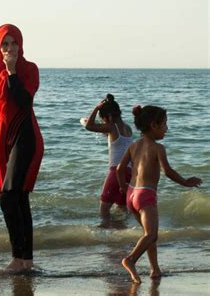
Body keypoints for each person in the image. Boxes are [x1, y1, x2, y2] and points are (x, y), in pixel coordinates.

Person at [0, 24, 44, 272]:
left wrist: (12, 71)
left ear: (21, 44)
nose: (10, 48)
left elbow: (24, 103)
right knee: (18, 199)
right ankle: (25, 261)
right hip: (7, 141)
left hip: (27, 139)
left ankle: (17, 260)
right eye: (5, 44)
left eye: (14, 43)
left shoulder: (28, 70)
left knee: (8, 198)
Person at [117, 105, 202, 283]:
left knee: (147, 235)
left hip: (131, 194)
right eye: (164, 124)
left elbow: (119, 169)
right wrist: (186, 182)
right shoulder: (158, 148)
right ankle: (130, 260)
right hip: (145, 195)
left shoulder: (133, 145)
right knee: (152, 235)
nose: (166, 128)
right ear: (154, 125)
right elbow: (168, 171)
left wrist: (123, 187)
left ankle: (155, 269)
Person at [80, 94, 133, 226]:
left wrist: (96, 108)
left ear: (108, 117)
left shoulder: (111, 128)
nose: (103, 123)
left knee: (104, 209)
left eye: (103, 120)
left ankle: (105, 234)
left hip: (116, 172)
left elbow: (89, 126)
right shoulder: (127, 128)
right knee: (122, 208)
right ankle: (121, 233)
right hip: (129, 172)